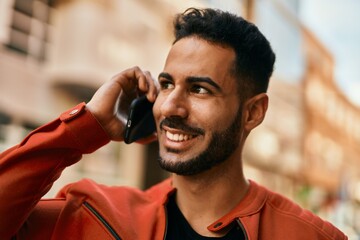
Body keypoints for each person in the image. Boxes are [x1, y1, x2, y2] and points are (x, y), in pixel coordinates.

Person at [0, 8, 347, 240]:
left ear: (253, 113)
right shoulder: (96, 215)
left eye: (199, 89)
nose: (170, 107)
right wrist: (84, 127)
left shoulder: (312, 236)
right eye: (166, 84)